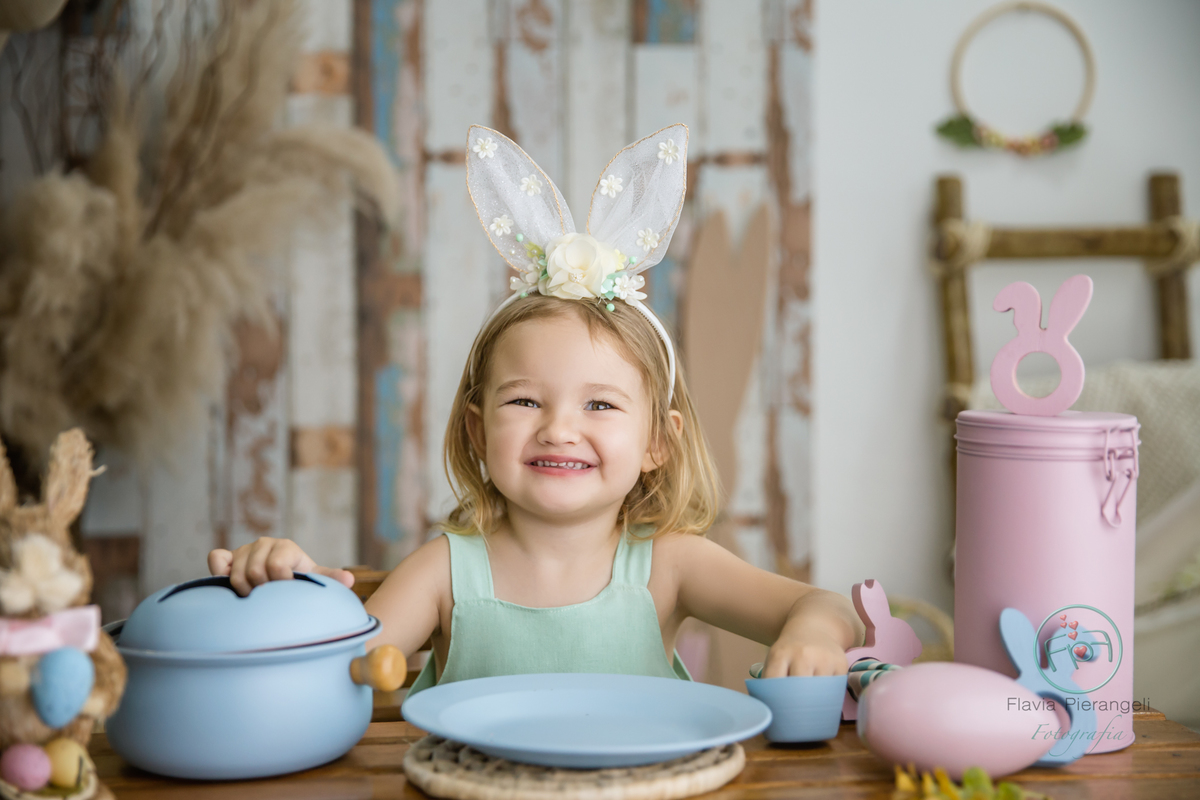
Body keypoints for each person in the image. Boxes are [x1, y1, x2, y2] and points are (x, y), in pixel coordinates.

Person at [208, 124, 863, 693]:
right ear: (477, 427)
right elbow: (340, 661)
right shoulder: (446, 572)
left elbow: (829, 606)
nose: (559, 429)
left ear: (657, 442)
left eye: (600, 404)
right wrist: (296, 591)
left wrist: (811, 633)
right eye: (524, 399)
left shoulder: (669, 564)